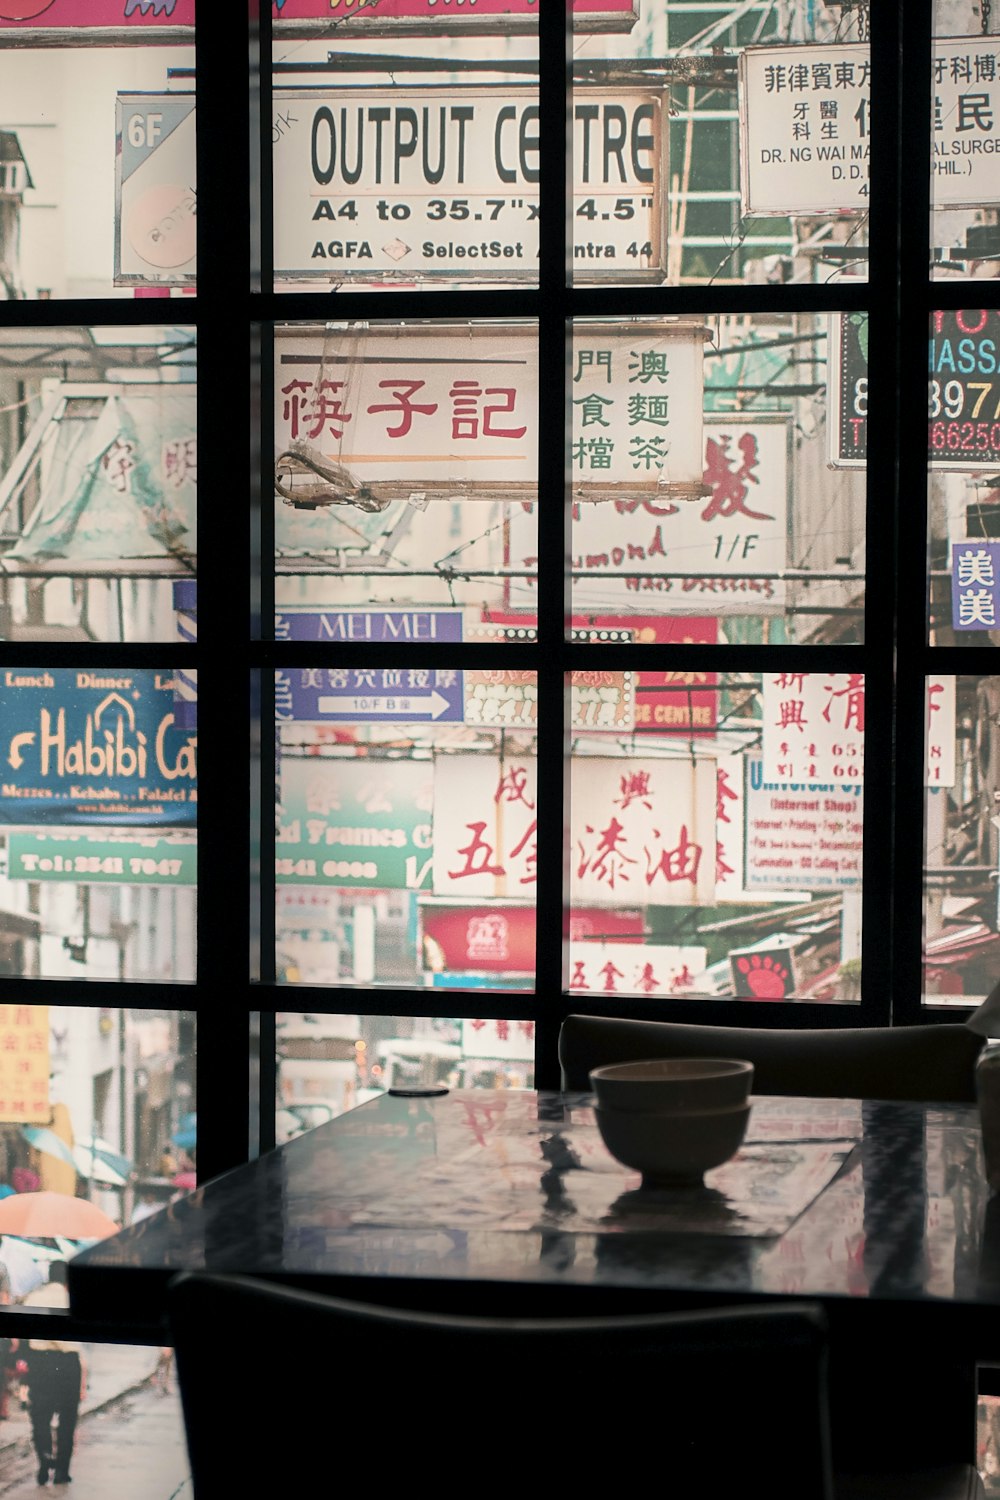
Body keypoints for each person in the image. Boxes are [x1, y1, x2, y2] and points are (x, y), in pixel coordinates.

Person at [21, 1262, 86, 1487]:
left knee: (40, 1417)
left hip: (40, 1363)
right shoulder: (71, 1299)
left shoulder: (33, 1298)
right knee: (67, 1421)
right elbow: (78, 1343)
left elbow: (24, 1336)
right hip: (67, 1363)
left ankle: (44, 1457)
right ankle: (61, 1471)